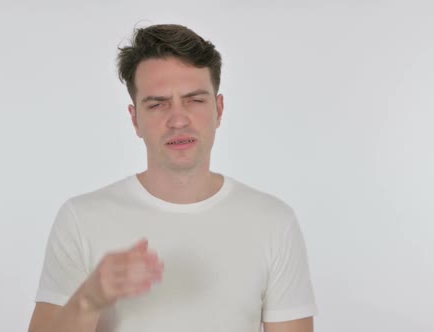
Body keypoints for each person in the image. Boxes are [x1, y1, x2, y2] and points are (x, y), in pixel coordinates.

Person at [28, 24, 317, 332]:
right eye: (157, 104)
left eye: (195, 100)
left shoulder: (273, 222)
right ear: (135, 118)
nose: (178, 119)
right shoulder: (80, 219)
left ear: (219, 109)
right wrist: (90, 298)